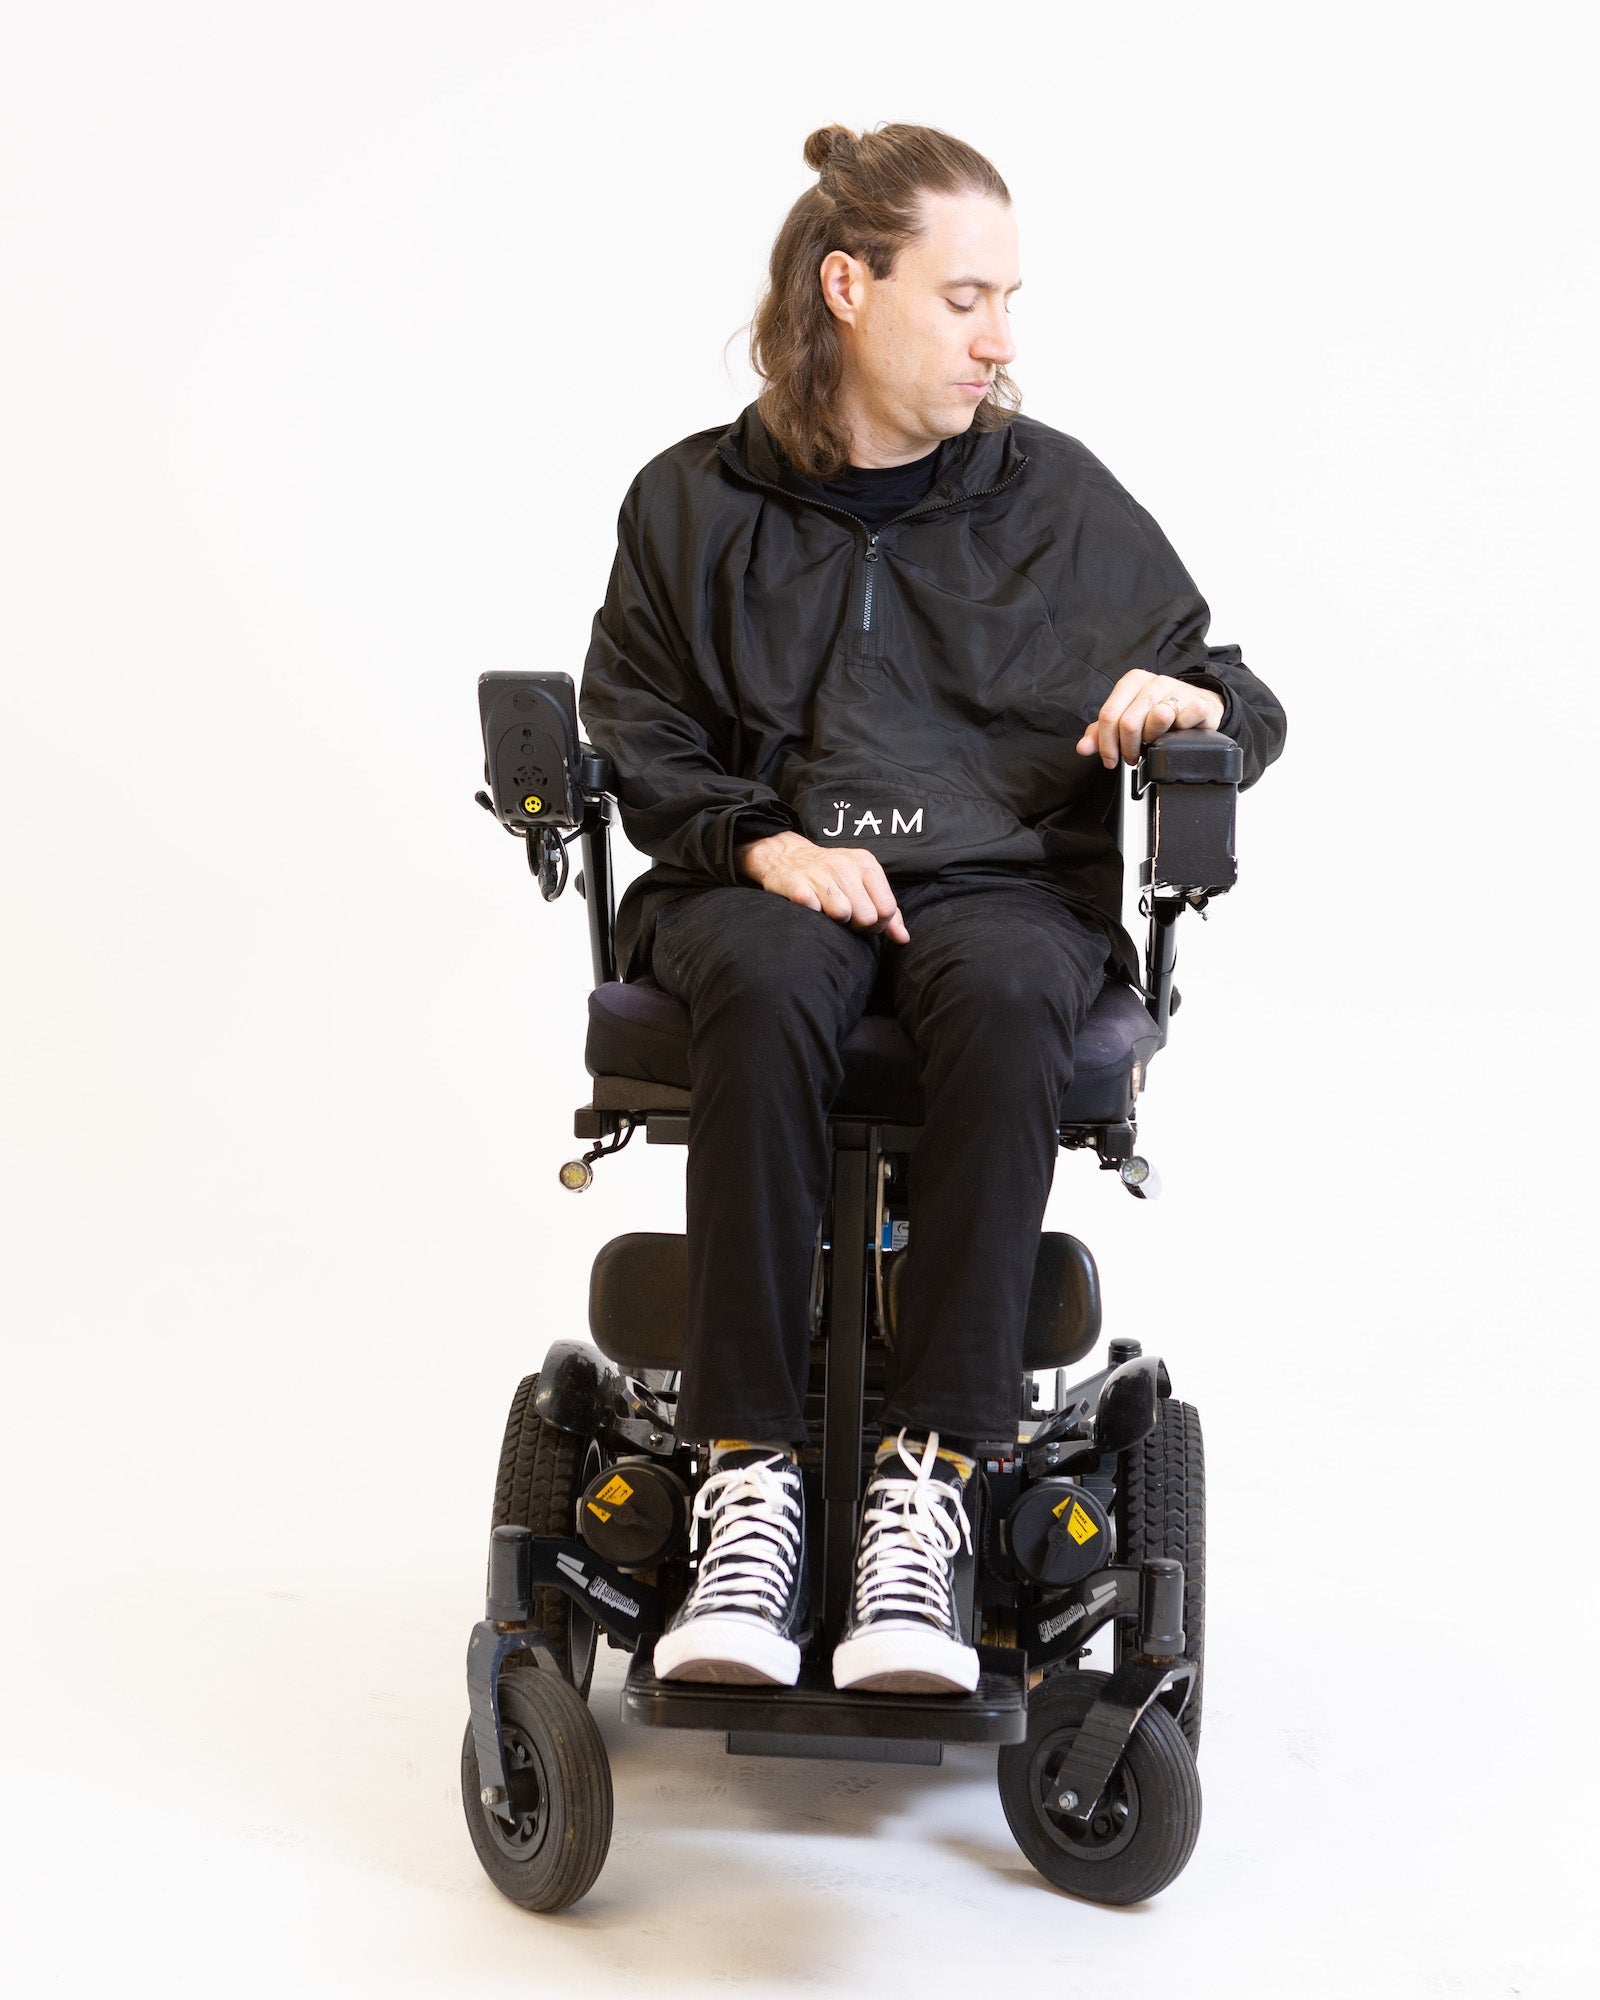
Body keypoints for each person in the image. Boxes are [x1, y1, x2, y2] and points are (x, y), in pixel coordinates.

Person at [579, 123, 1286, 1697]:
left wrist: (1184, 695)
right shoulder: (691, 505)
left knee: (1018, 986)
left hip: (999, 885)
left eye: (1009, 298)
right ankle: (747, 1480)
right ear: (849, 287)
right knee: (762, 983)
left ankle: (935, 1486)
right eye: (965, 296)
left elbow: (1240, 691)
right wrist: (759, 842)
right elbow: (636, 731)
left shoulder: (1053, 500)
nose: (1000, 339)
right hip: (764, 881)